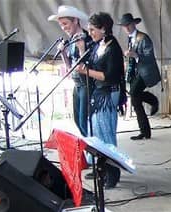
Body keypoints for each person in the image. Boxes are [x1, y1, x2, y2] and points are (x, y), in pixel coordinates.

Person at [77, 12, 125, 188]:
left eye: (92, 29)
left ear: (104, 28)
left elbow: (109, 75)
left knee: (106, 135)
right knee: (97, 133)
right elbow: (89, 63)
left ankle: (113, 172)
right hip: (98, 92)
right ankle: (102, 168)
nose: (90, 32)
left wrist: (85, 72)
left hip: (108, 92)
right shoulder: (98, 45)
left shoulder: (113, 47)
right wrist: (82, 50)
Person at [48, 5, 94, 137]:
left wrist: (81, 49)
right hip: (77, 84)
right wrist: (62, 53)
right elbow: (69, 68)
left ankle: (94, 150)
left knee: (84, 120)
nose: (63, 27)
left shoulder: (87, 38)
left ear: (75, 20)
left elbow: (89, 65)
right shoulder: (72, 40)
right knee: (77, 121)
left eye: (65, 24)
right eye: (61, 25)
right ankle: (89, 148)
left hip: (87, 84)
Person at [118, 13, 161, 140]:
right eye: (124, 26)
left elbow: (149, 56)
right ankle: (145, 131)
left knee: (134, 95)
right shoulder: (131, 38)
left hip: (145, 72)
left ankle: (145, 129)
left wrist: (135, 55)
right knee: (135, 99)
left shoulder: (143, 38)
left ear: (133, 24)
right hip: (136, 72)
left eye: (128, 25)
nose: (126, 28)